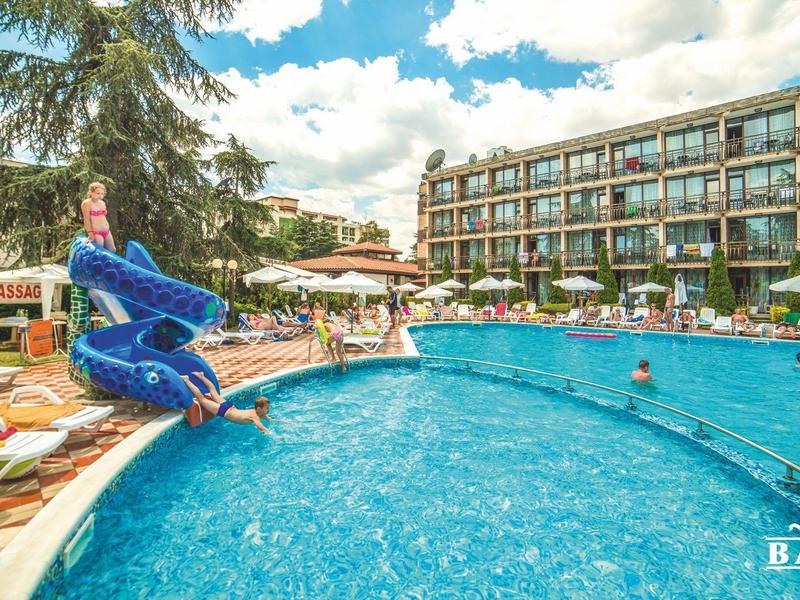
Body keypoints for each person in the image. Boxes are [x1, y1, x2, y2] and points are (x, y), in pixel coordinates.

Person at [181, 372, 274, 435]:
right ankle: (187, 380)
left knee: (213, 392)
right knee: (201, 399)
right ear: (259, 409)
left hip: (230, 407)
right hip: (224, 411)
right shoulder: (255, 416)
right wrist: (270, 433)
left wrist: (278, 421)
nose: (268, 409)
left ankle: (201, 376)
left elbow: (269, 418)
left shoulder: (259, 413)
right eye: (266, 408)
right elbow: (261, 427)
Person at [80, 181, 116, 252]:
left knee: (112, 250)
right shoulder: (87, 203)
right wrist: (90, 233)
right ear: (91, 192)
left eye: (102, 194)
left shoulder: (102, 203)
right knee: (99, 251)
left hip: (107, 231)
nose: (100, 195)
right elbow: (86, 220)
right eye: (98, 193)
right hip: (96, 232)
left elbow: (102, 217)